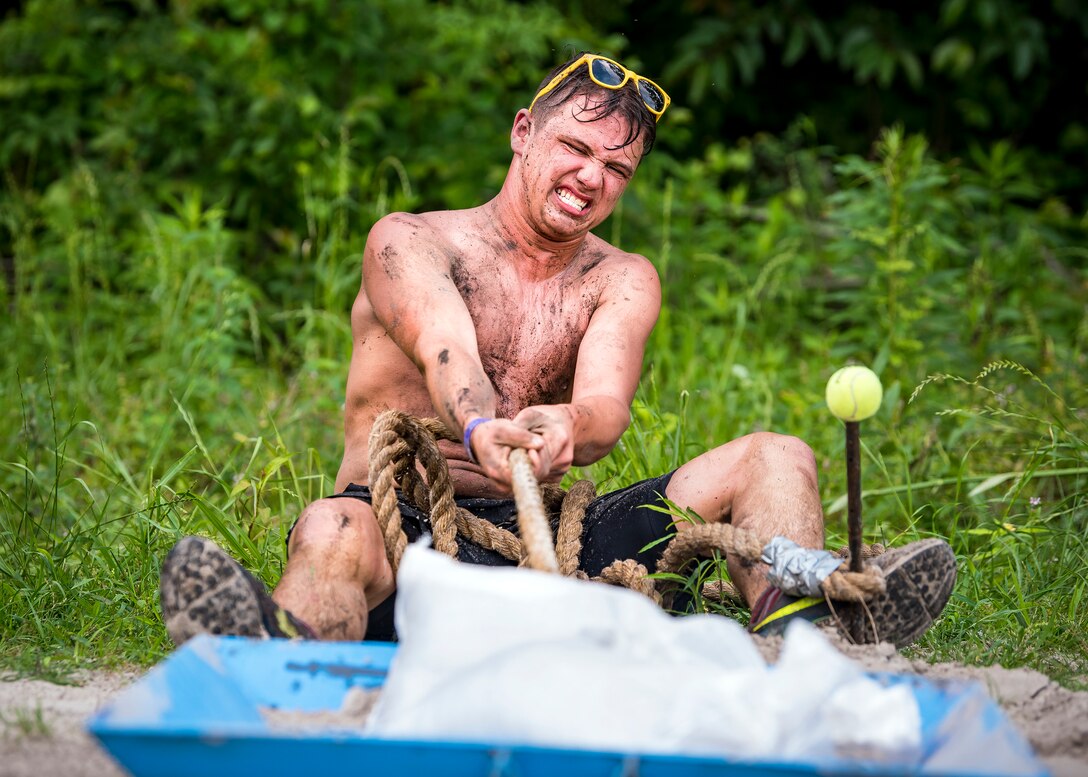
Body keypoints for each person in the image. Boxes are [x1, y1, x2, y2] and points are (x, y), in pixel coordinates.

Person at [160, 53, 954, 648]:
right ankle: (283, 653)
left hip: (552, 546)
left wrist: (571, 424)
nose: (590, 177)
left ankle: (803, 635)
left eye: (616, 168)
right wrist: (478, 429)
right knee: (331, 533)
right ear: (522, 132)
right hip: (398, 530)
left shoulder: (622, 277)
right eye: (576, 147)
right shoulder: (408, 240)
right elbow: (446, 349)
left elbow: (606, 406)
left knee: (775, 455)